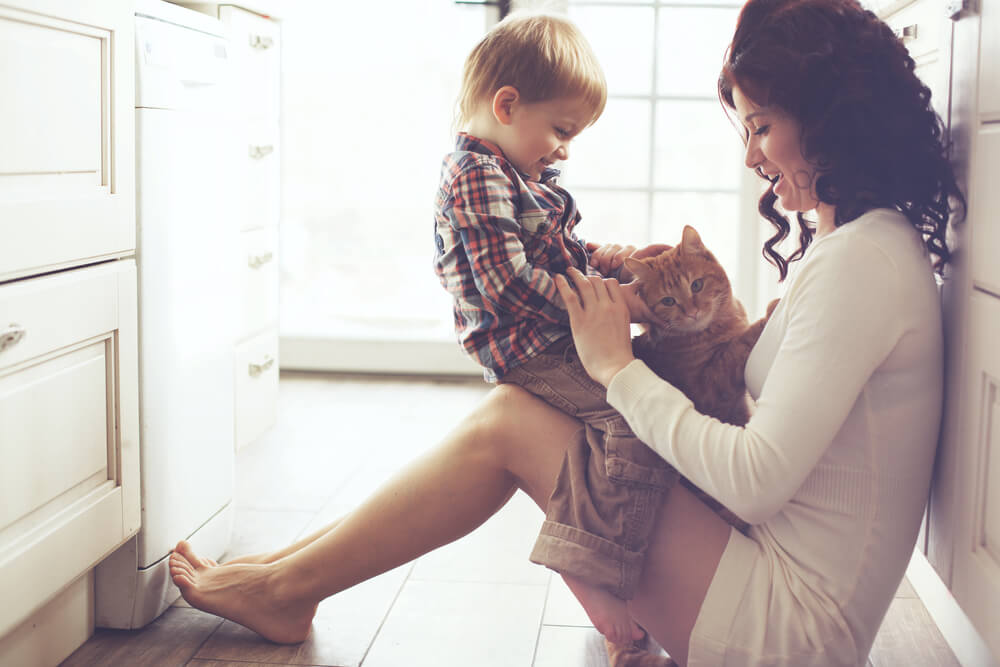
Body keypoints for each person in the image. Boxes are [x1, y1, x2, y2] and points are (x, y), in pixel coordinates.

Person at [168, 0, 965, 664]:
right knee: (511, 414)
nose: (754, 155)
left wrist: (620, 368)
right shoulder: (856, 246)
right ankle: (280, 571)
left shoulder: (860, 262)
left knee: (509, 420)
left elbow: (755, 478)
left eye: (762, 127)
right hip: (774, 576)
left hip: (788, 628)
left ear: (828, 116)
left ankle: (284, 585)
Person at [432, 11, 677, 644]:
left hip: (553, 333)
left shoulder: (521, 174)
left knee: (642, 401)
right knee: (635, 422)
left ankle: (620, 560)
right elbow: (509, 284)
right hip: (529, 347)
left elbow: (561, 250)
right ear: (507, 104)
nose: (565, 148)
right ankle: (609, 584)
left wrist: (614, 263)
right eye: (562, 129)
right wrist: (612, 305)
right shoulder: (473, 176)